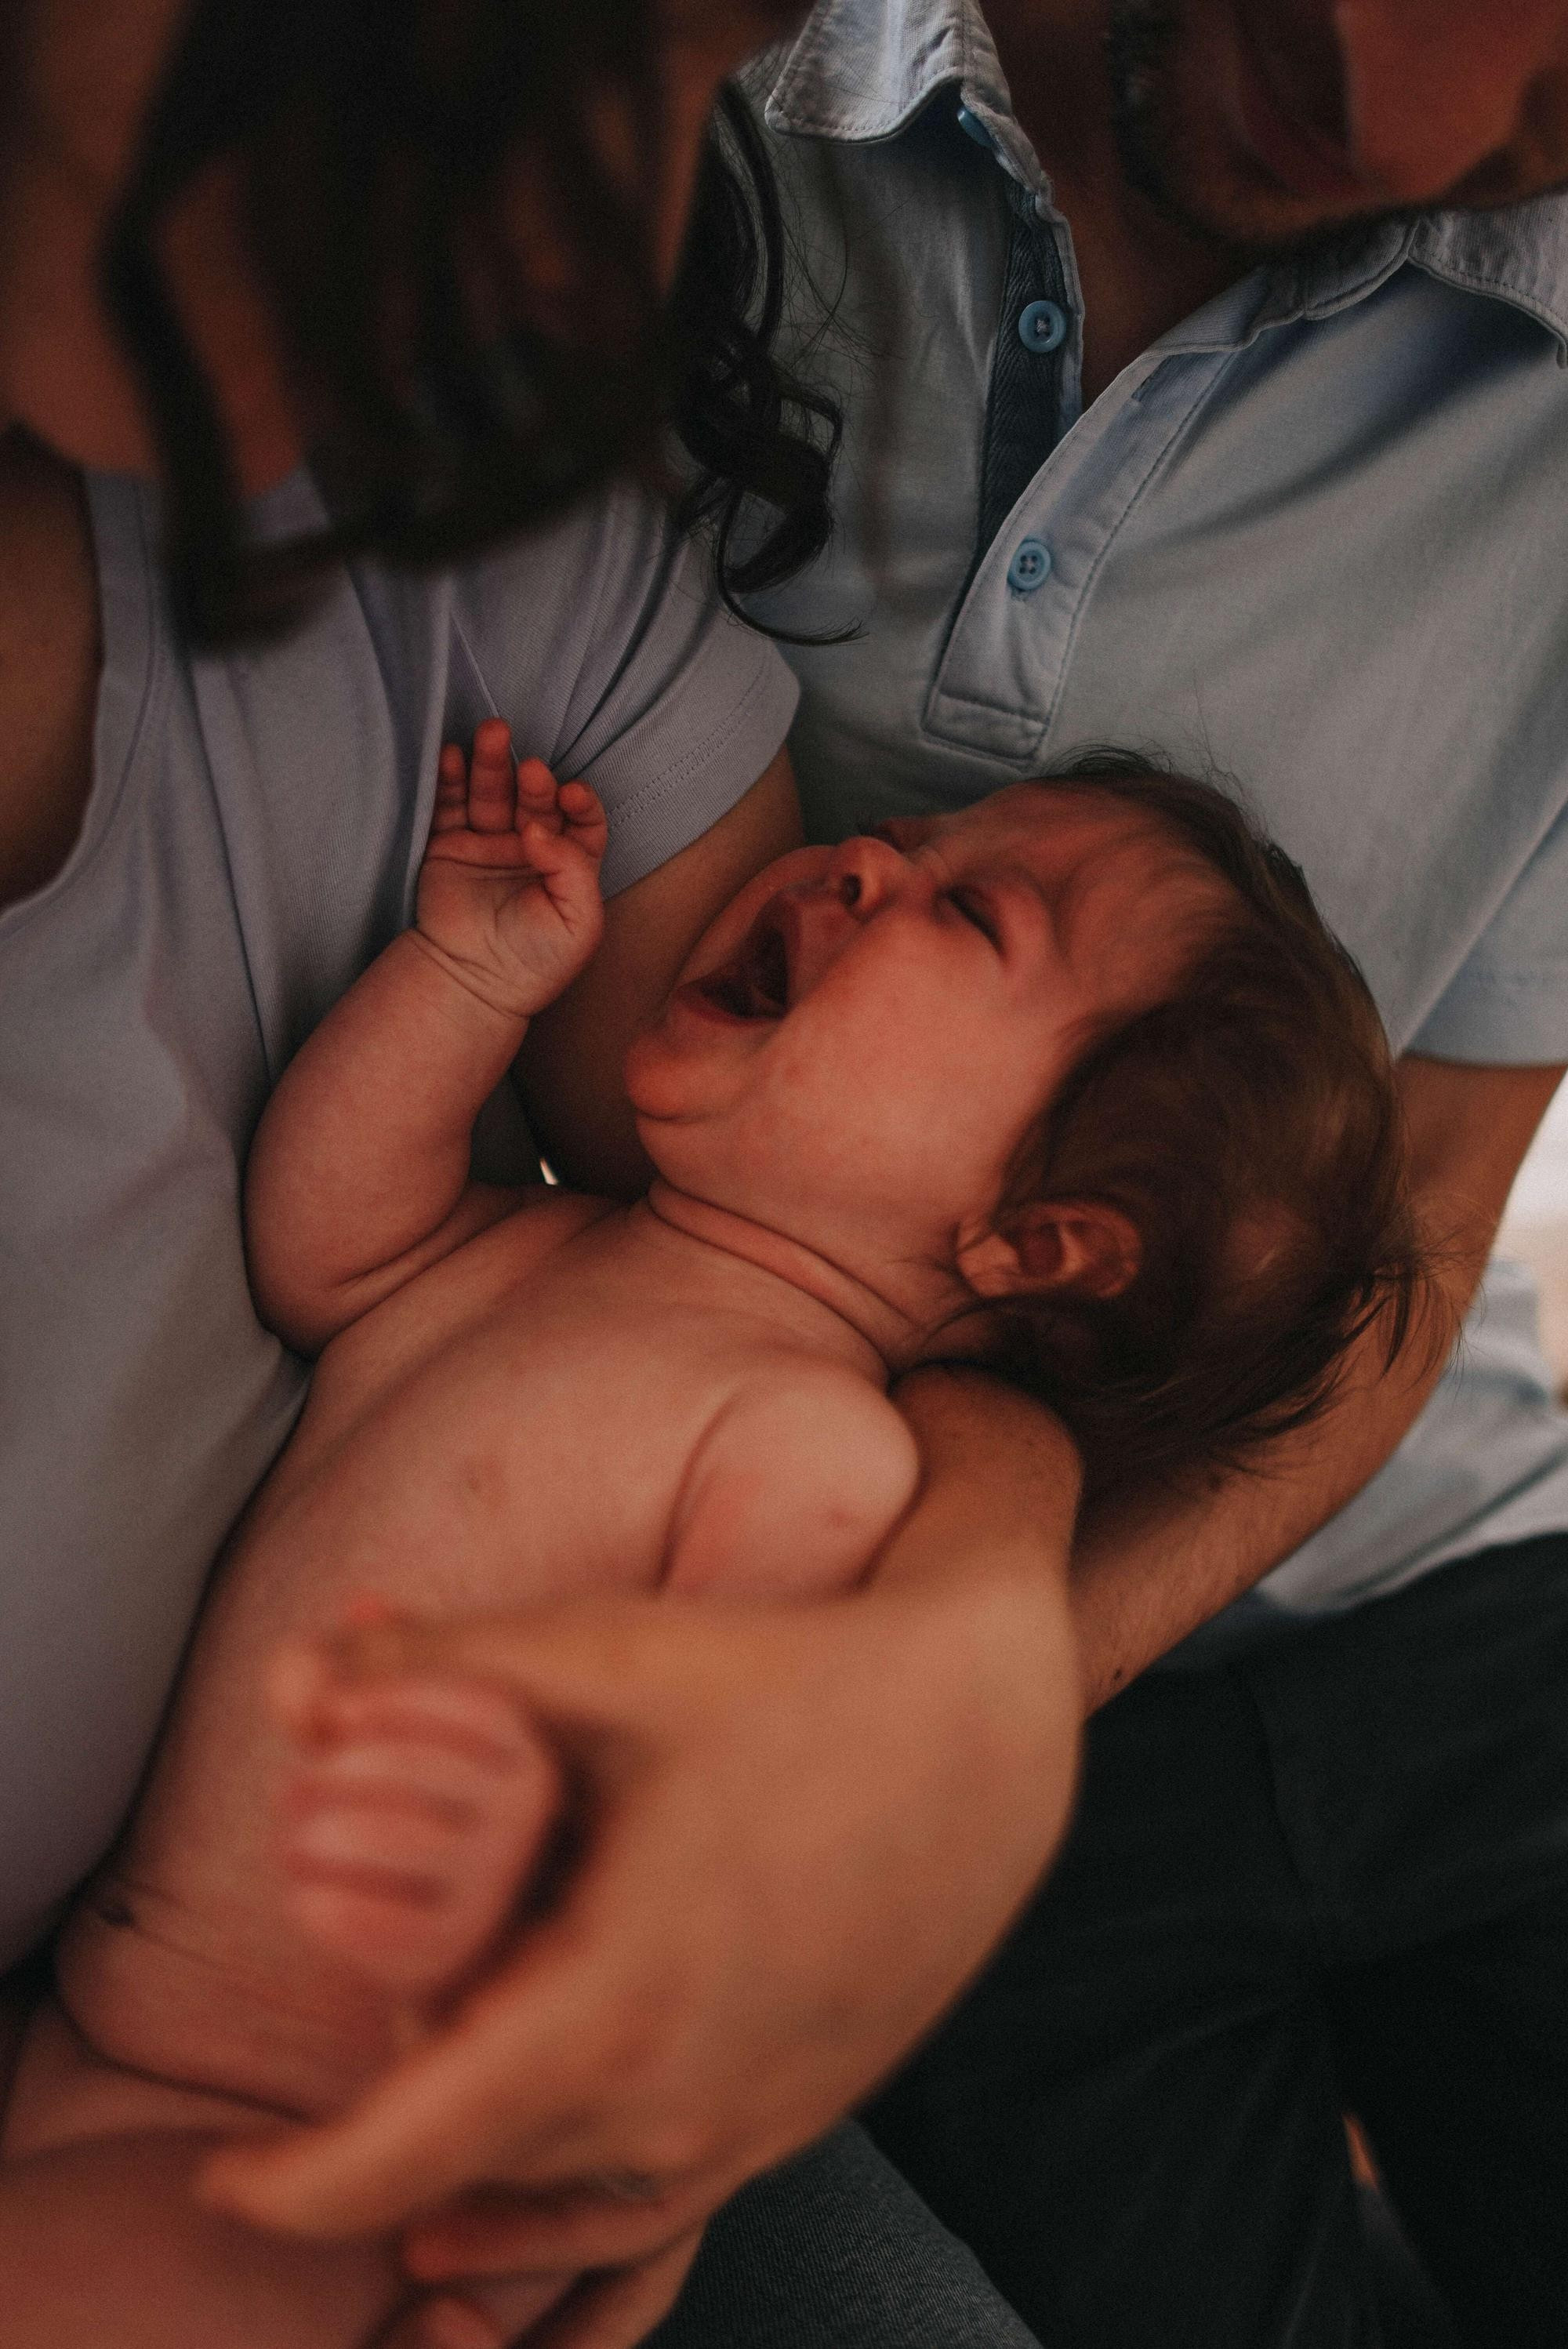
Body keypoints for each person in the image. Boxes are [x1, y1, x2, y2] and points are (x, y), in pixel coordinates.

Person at [197, 5, 1568, 2348]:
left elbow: (1422, 1231)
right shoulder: (646, 113)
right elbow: (439, 1235)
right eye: (911, 855)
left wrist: (952, 1720)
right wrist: (465, 979)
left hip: (1454, 1597)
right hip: (1012, 1838)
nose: (1428, 115)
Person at [3, 713, 1422, 2347]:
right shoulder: (550, 1252)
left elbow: (709, 1844)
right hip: (103, 2034)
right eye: (930, 849)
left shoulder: (811, 1456)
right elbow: (323, 1246)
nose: (870, 856)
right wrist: (468, 982)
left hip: (321, 2165)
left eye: (968, 915)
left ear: (1035, 1240)